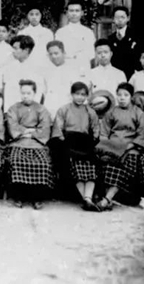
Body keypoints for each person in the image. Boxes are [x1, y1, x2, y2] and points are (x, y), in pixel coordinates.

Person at [95, 82, 144, 211]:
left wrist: (128, 147)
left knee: (124, 166)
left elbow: (142, 134)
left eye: (126, 95)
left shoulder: (139, 113)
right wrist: (108, 146)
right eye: (119, 95)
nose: (122, 98)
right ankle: (107, 198)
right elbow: (104, 133)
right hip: (112, 146)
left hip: (130, 148)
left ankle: (106, 199)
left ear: (131, 97)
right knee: (106, 162)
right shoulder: (111, 112)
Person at [51, 82, 100, 211]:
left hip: (85, 143)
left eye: (83, 95)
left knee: (91, 165)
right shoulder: (64, 110)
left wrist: (91, 142)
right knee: (75, 165)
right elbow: (58, 129)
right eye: (77, 94)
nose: (80, 97)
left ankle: (87, 198)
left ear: (87, 96)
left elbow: (96, 130)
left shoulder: (90, 112)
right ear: (71, 94)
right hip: (68, 143)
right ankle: (87, 199)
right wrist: (64, 142)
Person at [5, 79, 54, 210]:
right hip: (18, 143)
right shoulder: (14, 108)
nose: (25, 96)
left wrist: (26, 132)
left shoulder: (41, 109)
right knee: (16, 161)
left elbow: (44, 129)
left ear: (34, 93)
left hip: (37, 144)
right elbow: (13, 127)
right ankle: (19, 196)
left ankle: (37, 197)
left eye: (29, 93)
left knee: (42, 163)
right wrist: (31, 131)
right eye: (23, 93)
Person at [0, 35, 46, 113]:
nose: (13, 51)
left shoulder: (37, 68)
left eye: (16, 48)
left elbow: (38, 92)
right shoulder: (9, 67)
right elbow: (6, 90)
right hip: (11, 111)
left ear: (26, 50)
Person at [43, 41, 86, 119]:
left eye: (56, 53)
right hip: (50, 111)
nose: (53, 56)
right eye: (50, 54)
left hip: (69, 112)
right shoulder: (45, 72)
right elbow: (44, 93)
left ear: (63, 53)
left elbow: (78, 93)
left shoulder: (73, 71)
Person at [55, 0, 95, 73]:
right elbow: (59, 53)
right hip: (66, 69)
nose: (74, 14)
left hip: (83, 68)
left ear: (82, 13)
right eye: (71, 11)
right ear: (67, 13)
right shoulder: (60, 33)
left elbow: (91, 54)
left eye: (77, 11)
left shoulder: (88, 32)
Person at [107, 6, 140, 78]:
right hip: (115, 75)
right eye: (117, 17)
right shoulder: (111, 38)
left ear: (128, 18)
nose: (120, 20)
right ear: (113, 19)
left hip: (132, 75)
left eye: (122, 17)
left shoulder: (135, 36)